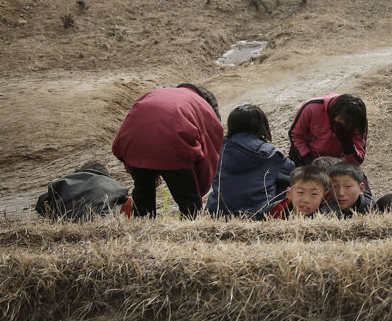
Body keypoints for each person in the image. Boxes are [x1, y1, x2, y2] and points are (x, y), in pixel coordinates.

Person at [112, 84, 223, 217]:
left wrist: (142, 166)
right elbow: (210, 153)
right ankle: (191, 231)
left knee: (143, 197)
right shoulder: (203, 106)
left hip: (134, 145)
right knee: (189, 203)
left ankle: (142, 229)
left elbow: (125, 135)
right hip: (173, 147)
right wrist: (199, 187)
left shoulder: (155, 93)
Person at [205, 104, 294, 219]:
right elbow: (293, 173)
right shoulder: (270, 154)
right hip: (256, 215)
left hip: (218, 212)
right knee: (287, 183)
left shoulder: (219, 148)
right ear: (261, 126)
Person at [288, 94, 367, 167]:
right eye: (338, 123)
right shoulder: (312, 107)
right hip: (305, 156)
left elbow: (357, 161)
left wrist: (346, 141)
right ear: (332, 113)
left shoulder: (358, 122)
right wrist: (307, 158)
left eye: (346, 126)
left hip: (333, 163)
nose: (340, 127)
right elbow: (295, 135)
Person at [35, 161, 129, 221]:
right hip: (100, 222)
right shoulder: (111, 183)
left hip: (66, 222)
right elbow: (127, 202)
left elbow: (41, 204)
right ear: (106, 175)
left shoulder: (64, 181)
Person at [267, 165, 332, 218]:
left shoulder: (328, 216)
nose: (306, 200)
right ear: (289, 193)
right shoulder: (274, 210)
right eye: (300, 192)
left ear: (323, 197)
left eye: (314, 194)